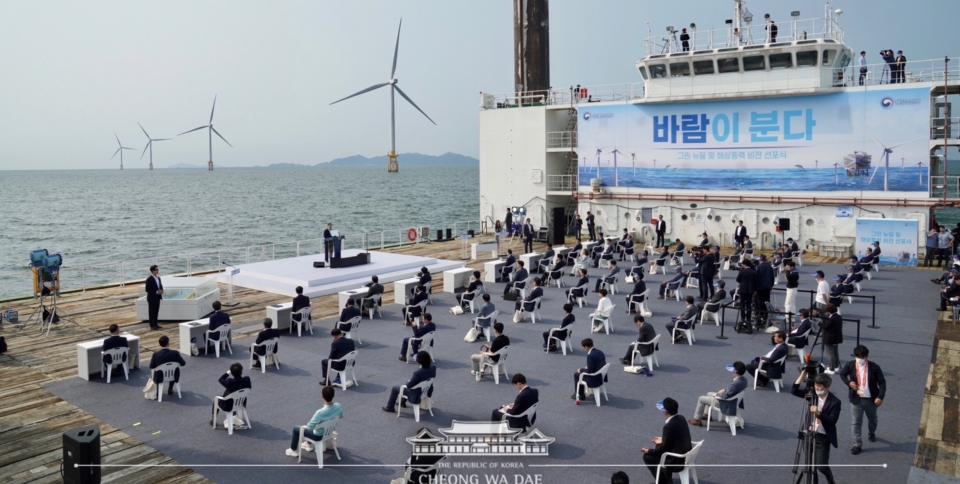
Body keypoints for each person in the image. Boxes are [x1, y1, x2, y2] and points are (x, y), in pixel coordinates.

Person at [791, 371, 841, 484]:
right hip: (809, 433)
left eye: (820, 386)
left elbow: (832, 420)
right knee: (809, 465)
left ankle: (830, 480)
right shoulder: (812, 394)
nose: (817, 387)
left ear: (827, 387)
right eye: (815, 385)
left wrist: (819, 413)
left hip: (822, 437)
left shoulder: (835, 402)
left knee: (821, 466)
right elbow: (794, 391)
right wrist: (802, 376)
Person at [838, 345, 886, 455]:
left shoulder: (874, 367)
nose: (860, 359)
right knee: (856, 422)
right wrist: (849, 383)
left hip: (871, 399)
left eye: (863, 357)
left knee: (873, 419)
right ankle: (857, 444)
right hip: (856, 399)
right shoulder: (850, 365)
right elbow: (842, 374)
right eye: (858, 356)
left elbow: (882, 382)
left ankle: (871, 432)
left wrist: (880, 396)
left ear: (867, 356)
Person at [641, 397, 693, 484]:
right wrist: (663, 440)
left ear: (665, 412)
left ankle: (663, 481)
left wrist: (649, 451)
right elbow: (677, 436)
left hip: (677, 461)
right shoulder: (681, 418)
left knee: (647, 457)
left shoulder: (668, 426)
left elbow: (664, 448)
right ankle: (667, 477)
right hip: (686, 454)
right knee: (658, 445)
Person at [284, 385, 343, 457]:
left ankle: (293, 450)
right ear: (333, 396)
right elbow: (341, 416)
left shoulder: (320, 413)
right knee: (316, 427)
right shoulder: (338, 406)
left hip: (318, 436)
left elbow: (309, 427)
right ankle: (308, 444)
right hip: (329, 432)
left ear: (322, 396)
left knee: (296, 429)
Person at [688, 361, 747, 426]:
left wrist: (717, 395)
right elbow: (733, 391)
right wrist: (724, 389)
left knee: (701, 399)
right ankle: (706, 415)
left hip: (727, 403)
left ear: (735, 372)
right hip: (734, 401)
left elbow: (725, 396)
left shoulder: (734, 384)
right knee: (709, 393)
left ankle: (696, 420)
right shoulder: (744, 380)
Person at [820, 303, 843, 373]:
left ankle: (831, 369)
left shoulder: (831, 319)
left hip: (830, 338)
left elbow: (825, 327)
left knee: (830, 354)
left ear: (829, 311)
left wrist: (820, 324)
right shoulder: (839, 317)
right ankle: (836, 367)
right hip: (837, 337)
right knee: (835, 352)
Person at [736, 261, 758, 329]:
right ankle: (748, 318)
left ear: (745, 265)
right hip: (750, 290)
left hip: (742, 290)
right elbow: (755, 282)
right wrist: (754, 290)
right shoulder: (754, 272)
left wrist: (742, 282)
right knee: (749, 305)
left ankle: (742, 318)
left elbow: (737, 279)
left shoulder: (742, 271)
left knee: (742, 305)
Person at [145, 264, 164, 330]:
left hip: (157, 297)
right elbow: (147, 289)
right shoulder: (149, 279)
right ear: (153, 271)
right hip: (152, 298)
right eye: (156, 270)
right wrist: (156, 292)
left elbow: (160, 286)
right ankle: (152, 325)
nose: (158, 271)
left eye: (157, 269)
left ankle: (156, 324)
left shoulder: (158, 278)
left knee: (156, 311)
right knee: (152, 312)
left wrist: (161, 291)